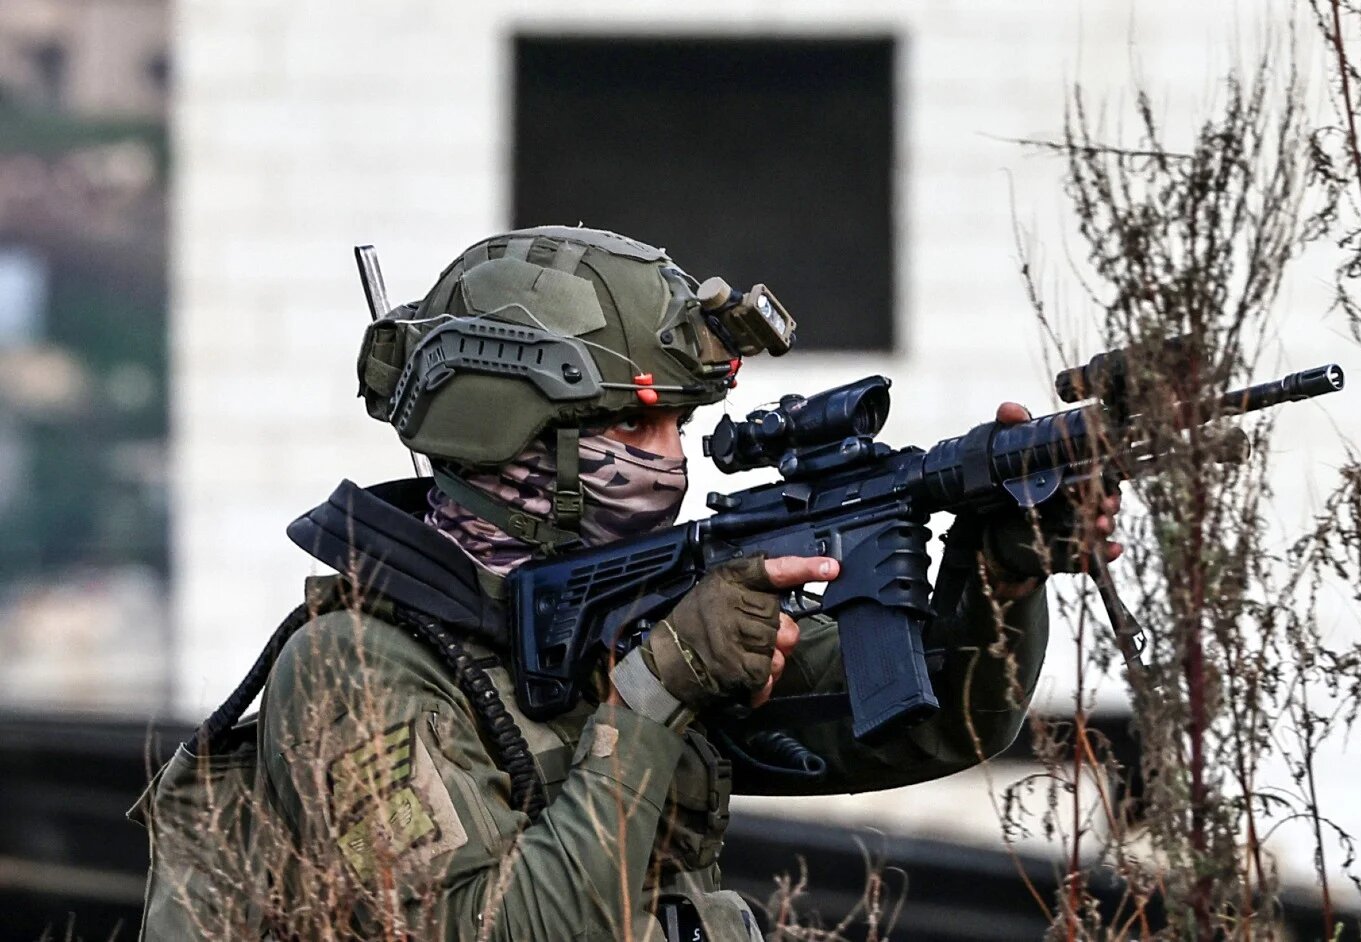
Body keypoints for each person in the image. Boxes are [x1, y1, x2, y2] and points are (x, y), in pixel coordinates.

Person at [249, 226, 1119, 941]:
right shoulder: (350, 670)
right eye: (634, 420)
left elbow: (930, 729)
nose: (667, 457)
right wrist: (657, 692)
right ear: (506, 430)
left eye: (679, 422)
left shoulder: (639, 611)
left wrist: (998, 570)